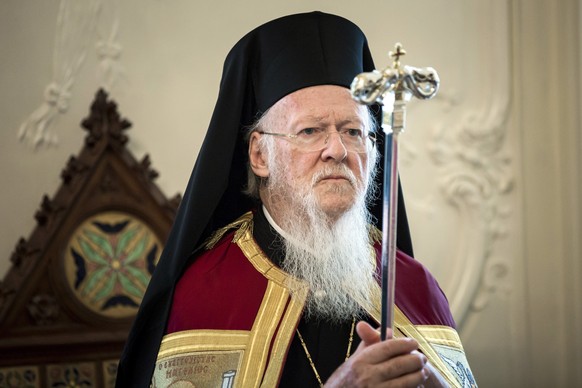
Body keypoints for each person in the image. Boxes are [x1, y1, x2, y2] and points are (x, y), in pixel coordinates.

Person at [116, 11, 476, 388]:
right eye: (310, 131)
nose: (337, 149)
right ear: (259, 156)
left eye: (353, 131)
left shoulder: (414, 285)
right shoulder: (204, 293)